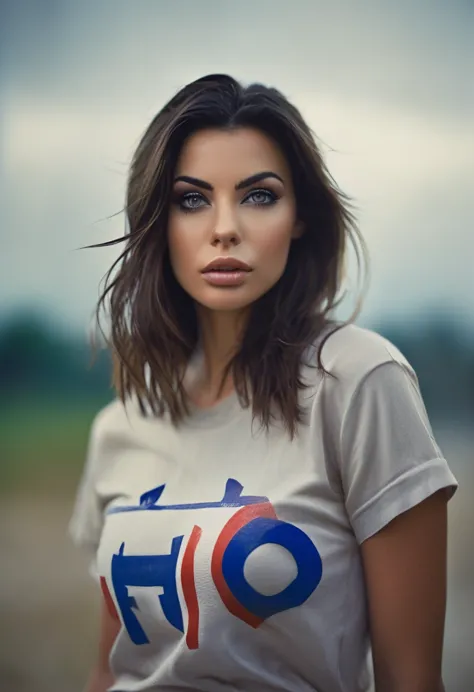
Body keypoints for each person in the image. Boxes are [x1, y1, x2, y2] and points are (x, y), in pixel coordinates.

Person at [70, 74, 458, 692]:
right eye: (192, 199)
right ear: (158, 222)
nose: (225, 228)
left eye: (258, 196)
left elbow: (412, 679)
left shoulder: (358, 381)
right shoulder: (121, 425)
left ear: (300, 216)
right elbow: (108, 670)